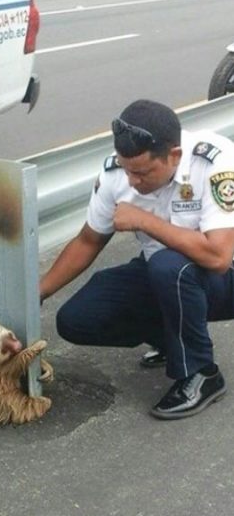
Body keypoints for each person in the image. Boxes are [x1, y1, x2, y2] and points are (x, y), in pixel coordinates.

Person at [39, 99, 234, 419]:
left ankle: (201, 373)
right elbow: (88, 240)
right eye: (127, 170)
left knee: (169, 266)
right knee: (76, 319)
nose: (132, 182)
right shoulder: (118, 173)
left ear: (174, 156)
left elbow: (218, 256)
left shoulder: (214, 161)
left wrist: (144, 220)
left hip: (224, 278)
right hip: (165, 275)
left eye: (142, 173)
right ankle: (171, 340)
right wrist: (40, 291)